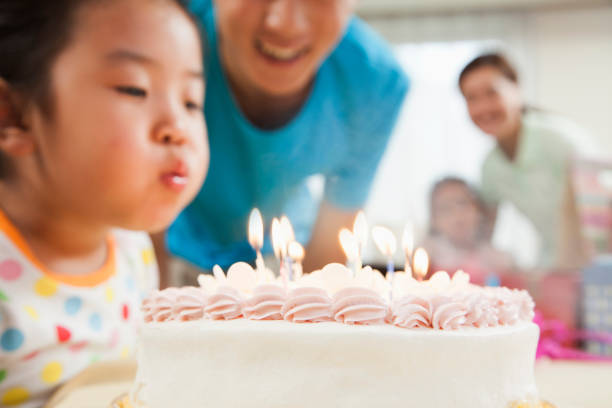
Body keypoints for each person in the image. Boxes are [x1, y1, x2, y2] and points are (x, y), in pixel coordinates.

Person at [0, 0, 208, 405]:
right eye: (135, 89)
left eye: (191, 101)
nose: (178, 128)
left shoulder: (133, 251)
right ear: (14, 117)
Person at [157, 0, 409, 285]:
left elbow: (331, 240)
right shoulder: (164, 27)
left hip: (283, 259)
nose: (283, 23)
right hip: (169, 248)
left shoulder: (374, 82)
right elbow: (136, 190)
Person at [459, 53, 587, 270]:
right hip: (553, 270)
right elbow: (483, 234)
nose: (483, 107)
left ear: (516, 88)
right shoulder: (490, 167)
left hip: (597, 267)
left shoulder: (558, 139)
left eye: (492, 93)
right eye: (472, 98)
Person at [421, 177, 514, 285]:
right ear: (433, 220)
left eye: (463, 204)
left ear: (479, 210)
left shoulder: (497, 260)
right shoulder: (428, 256)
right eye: (446, 208)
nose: (457, 215)